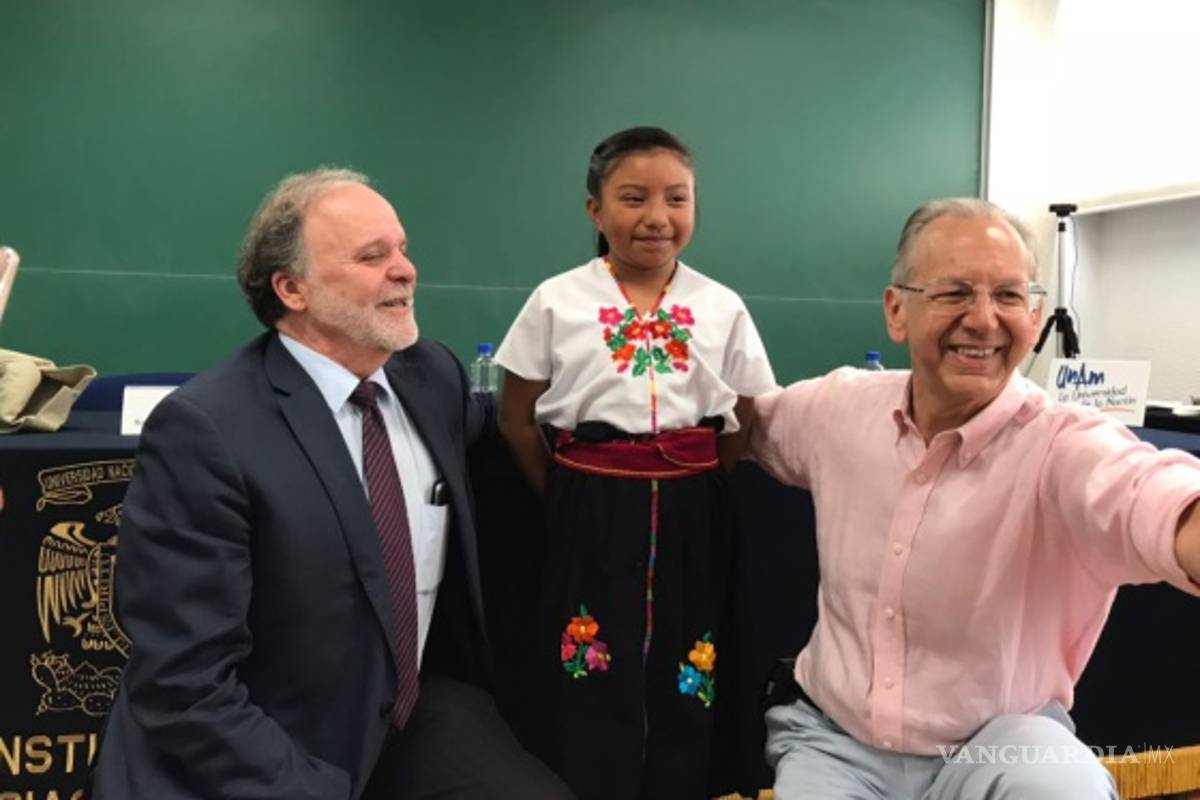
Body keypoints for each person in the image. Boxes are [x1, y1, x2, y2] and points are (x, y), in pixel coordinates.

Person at [90, 168, 573, 799]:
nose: (405, 270)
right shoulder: (206, 432)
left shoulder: (433, 377)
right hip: (260, 736)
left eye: (401, 249)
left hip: (408, 708)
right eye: (373, 256)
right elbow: (184, 684)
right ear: (292, 288)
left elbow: (511, 440)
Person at [750, 197, 1200, 799]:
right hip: (837, 745)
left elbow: (1152, 496)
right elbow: (739, 427)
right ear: (896, 311)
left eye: (1009, 295)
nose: (984, 319)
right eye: (955, 292)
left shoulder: (1065, 445)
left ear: (1036, 314)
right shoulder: (836, 411)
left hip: (1003, 745)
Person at [495, 126, 777, 799]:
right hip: (588, 503)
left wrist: (695, 479)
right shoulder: (557, 300)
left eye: (677, 199)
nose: (657, 217)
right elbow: (516, 416)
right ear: (595, 210)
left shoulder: (721, 306)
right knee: (588, 657)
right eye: (633, 198)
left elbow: (745, 414)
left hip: (692, 507)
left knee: (691, 654)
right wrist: (566, 492)